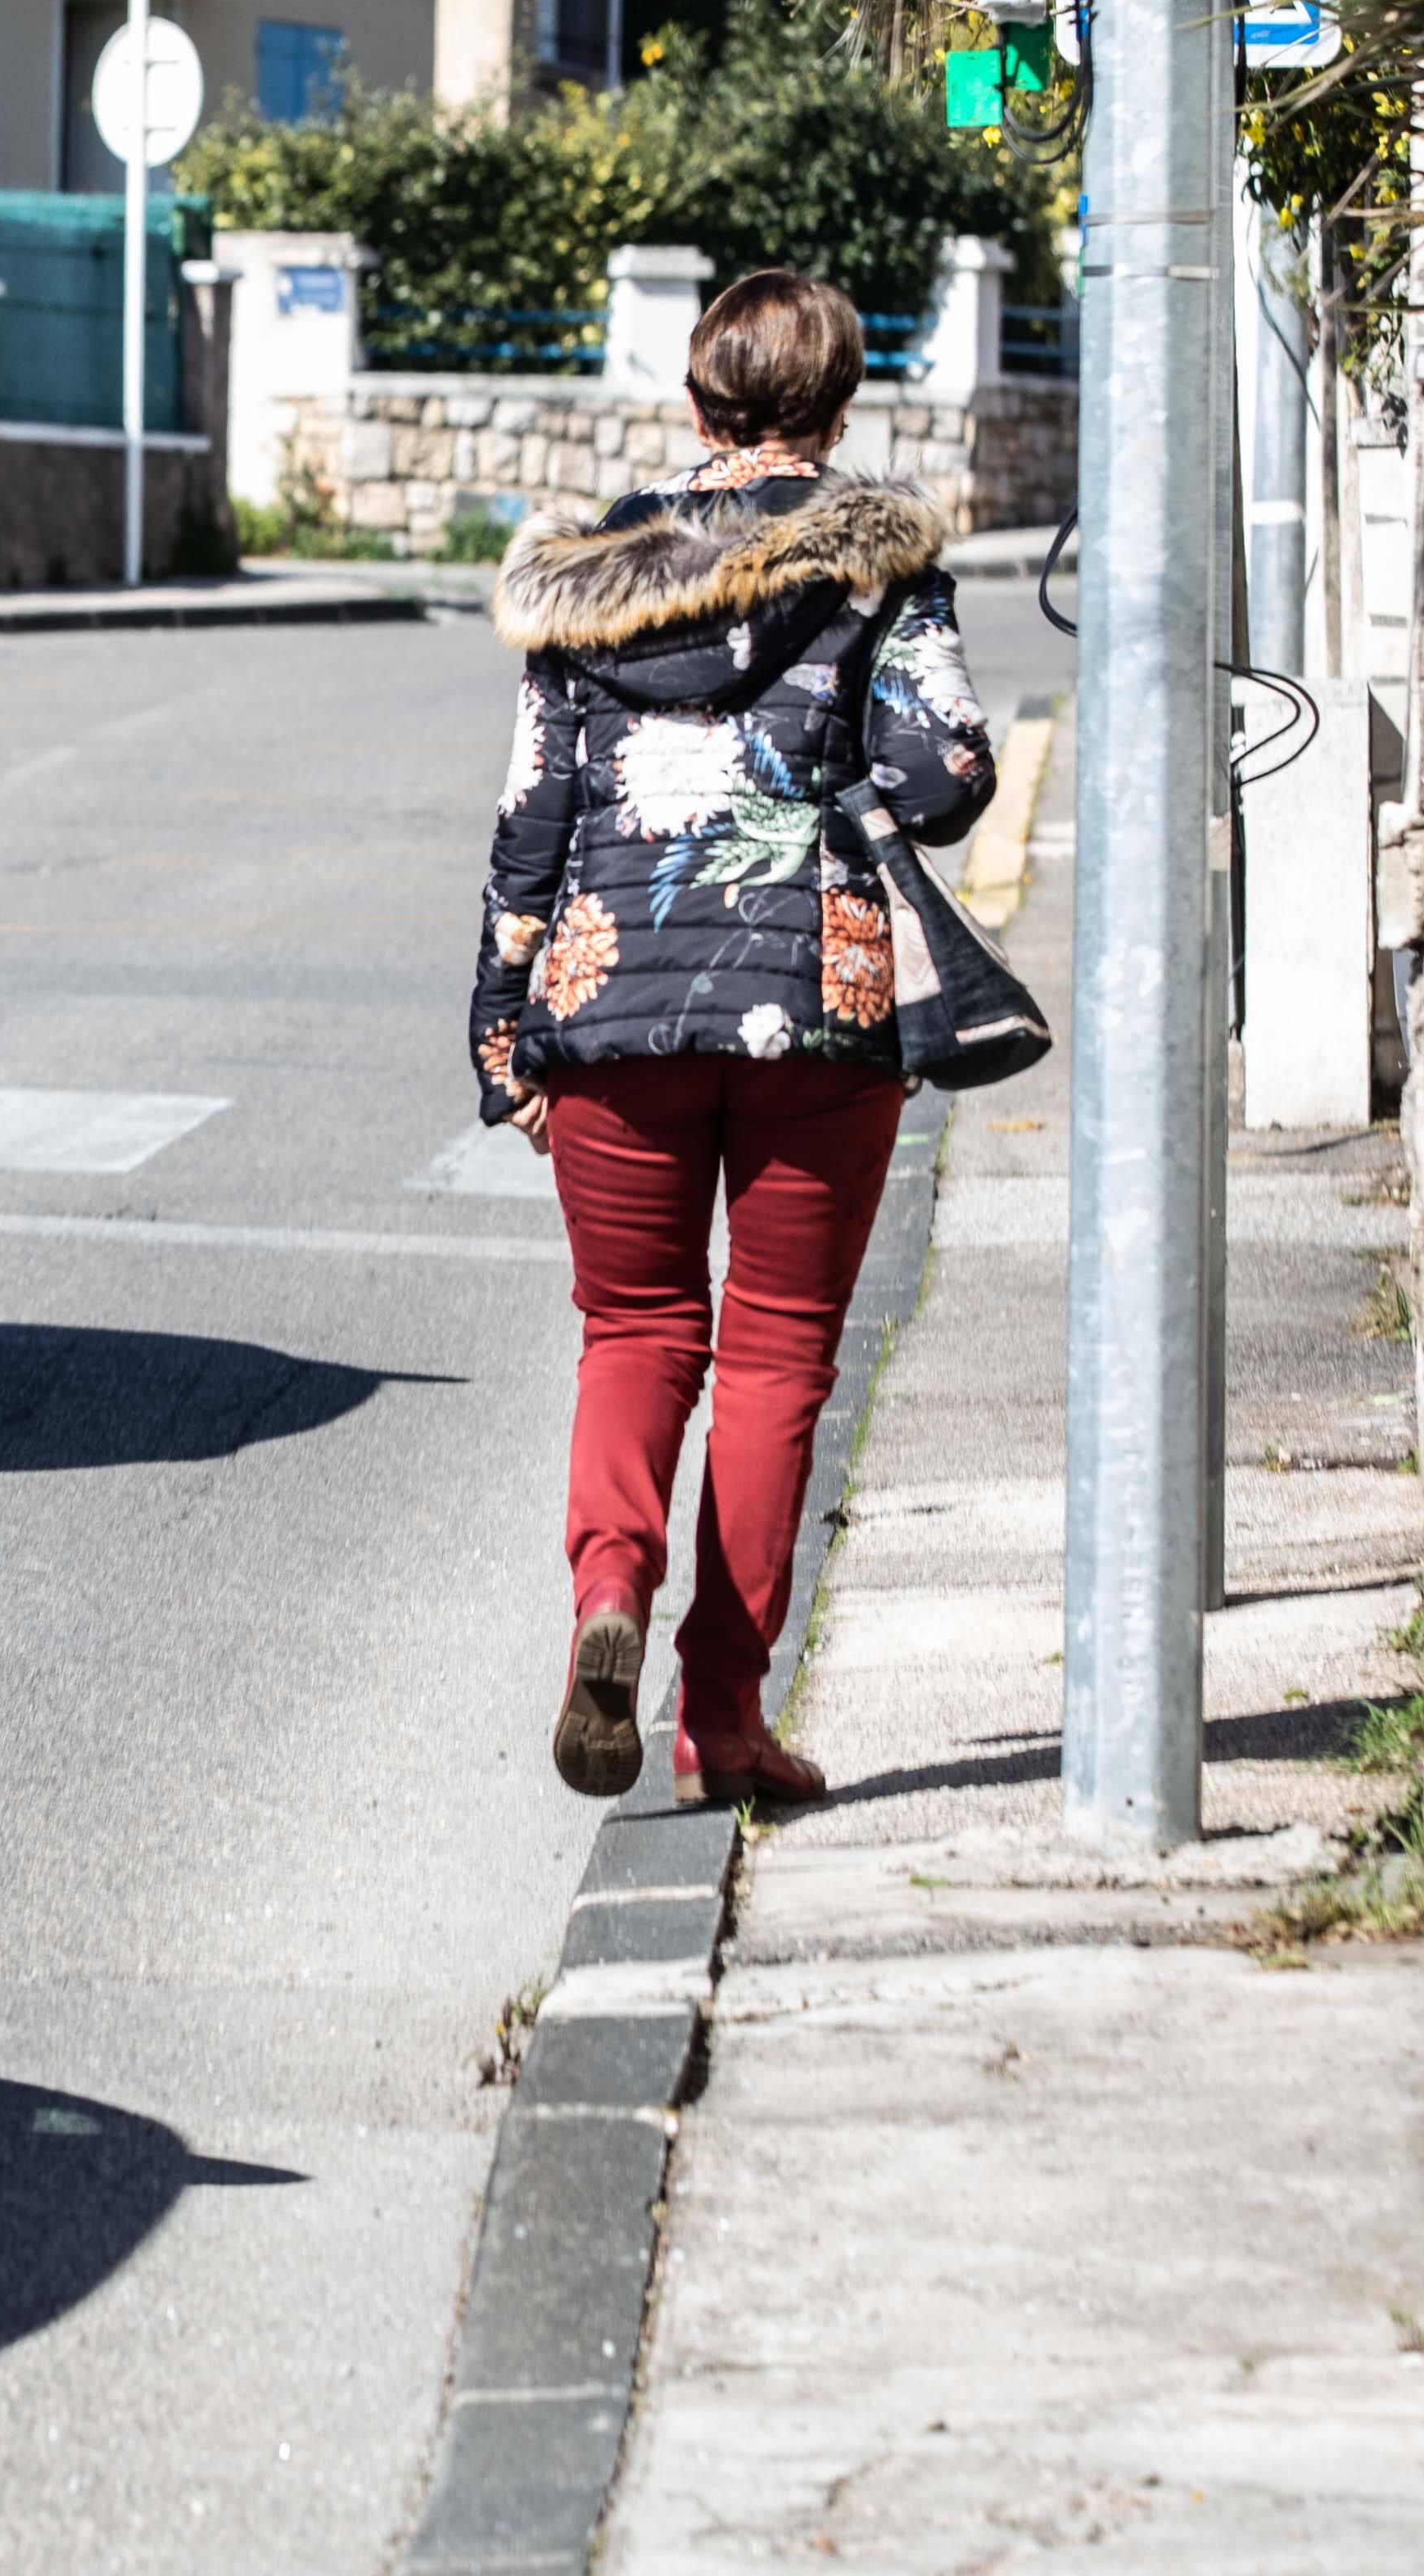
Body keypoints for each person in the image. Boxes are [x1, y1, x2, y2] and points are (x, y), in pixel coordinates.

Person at [468, 266, 998, 1809]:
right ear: (835, 412)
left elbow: (532, 819)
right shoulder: (881, 572)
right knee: (774, 1357)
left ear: (696, 402)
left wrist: (503, 1018)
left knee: (635, 1333)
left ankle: (608, 1595)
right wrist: (844, 811)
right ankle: (724, 1721)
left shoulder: (589, 581)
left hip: (608, 998)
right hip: (817, 1008)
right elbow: (954, 771)